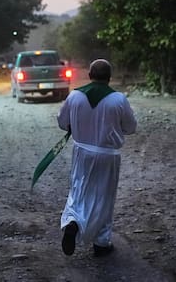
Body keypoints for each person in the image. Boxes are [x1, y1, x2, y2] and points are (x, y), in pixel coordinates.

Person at [56, 59, 137, 257]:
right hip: (108, 155)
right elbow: (131, 128)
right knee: (104, 198)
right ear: (109, 78)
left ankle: (72, 222)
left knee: (78, 189)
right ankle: (101, 242)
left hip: (82, 152)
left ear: (89, 76)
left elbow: (62, 122)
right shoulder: (118, 99)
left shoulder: (75, 96)